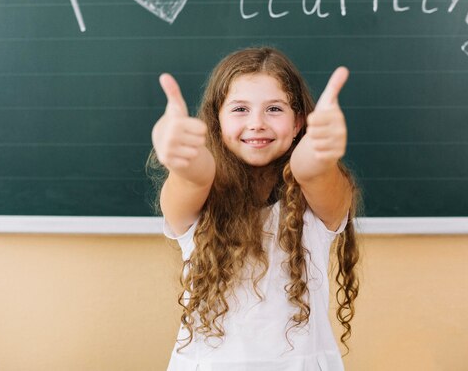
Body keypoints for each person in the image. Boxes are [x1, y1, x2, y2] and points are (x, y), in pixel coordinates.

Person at [149, 47, 361, 370]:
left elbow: (311, 172)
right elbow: (195, 177)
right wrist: (183, 160)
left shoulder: (316, 199)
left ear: (298, 123)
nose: (257, 123)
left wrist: (319, 157)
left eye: (274, 109)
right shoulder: (200, 194)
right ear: (216, 121)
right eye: (240, 109)